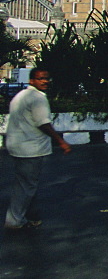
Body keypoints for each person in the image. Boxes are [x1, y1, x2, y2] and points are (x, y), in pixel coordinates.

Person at [3, 68, 72, 232]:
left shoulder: (20, 96)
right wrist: (60, 141)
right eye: (40, 79)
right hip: (30, 148)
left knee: (27, 183)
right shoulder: (38, 98)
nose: (45, 81)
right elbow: (43, 123)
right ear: (32, 81)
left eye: (47, 79)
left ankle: (32, 216)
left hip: (16, 145)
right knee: (26, 186)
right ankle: (14, 220)